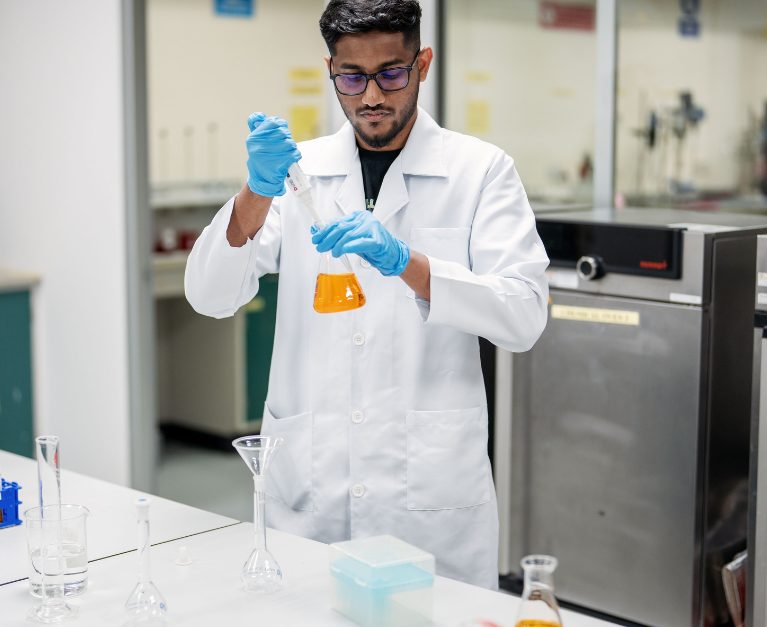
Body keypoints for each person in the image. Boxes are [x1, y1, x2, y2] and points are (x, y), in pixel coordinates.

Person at [185, 0, 549, 589]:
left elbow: (525, 315)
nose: (372, 96)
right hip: (312, 492)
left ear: (422, 64)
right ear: (331, 70)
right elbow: (209, 293)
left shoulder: (481, 172)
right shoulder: (299, 172)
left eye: (391, 73)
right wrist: (256, 190)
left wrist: (410, 265)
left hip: (428, 503)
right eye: (352, 78)